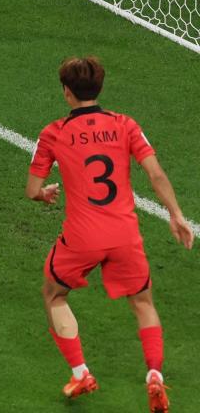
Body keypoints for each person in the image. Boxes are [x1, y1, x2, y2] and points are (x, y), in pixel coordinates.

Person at [26, 56, 193, 412]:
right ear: (99, 89)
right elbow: (156, 174)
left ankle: (81, 372)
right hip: (124, 235)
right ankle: (154, 377)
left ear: (67, 93)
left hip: (82, 238)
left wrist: (43, 194)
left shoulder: (53, 133)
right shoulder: (125, 125)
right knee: (144, 304)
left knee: (54, 295)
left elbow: (32, 188)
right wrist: (176, 215)